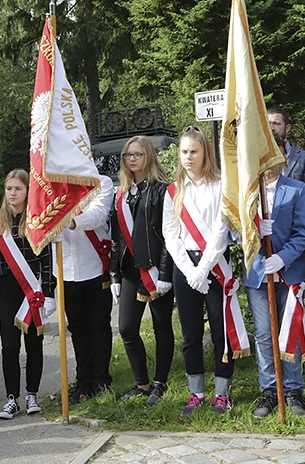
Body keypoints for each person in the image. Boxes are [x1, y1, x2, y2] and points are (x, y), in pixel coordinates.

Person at [163, 126, 237, 416]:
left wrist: (204, 268)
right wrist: (189, 270)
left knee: (221, 333)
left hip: (215, 266)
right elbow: (171, 235)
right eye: (184, 152)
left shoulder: (220, 186)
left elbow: (222, 230)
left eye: (194, 151)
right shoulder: (173, 191)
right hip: (186, 268)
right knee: (191, 334)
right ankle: (196, 392)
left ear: (205, 152)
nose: (188, 157)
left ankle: (222, 393)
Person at [244, 136, 305, 418]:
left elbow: (303, 233)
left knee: (290, 333)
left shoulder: (295, 190)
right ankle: (270, 389)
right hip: (258, 274)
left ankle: (294, 389)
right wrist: (252, 234)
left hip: (288, 272)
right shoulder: (248, 191)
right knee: (263, 334)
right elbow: (237, 232)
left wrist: (282, 257)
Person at [110, 136, 174, 407]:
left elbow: (168, 235)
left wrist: (164, 273)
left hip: (155, 269)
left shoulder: (163, 190)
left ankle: (160, 382)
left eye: (137, 154)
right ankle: (141, 383)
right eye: (127, 155)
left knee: (161, 327)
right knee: (126, 328)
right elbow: (116, 237)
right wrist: (113, 275)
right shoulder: (121, 193)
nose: (132, 159)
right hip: (129, 270)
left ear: (148, 156)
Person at [0, 169, 52, 419]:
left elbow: (46, 259)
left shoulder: (37, 221)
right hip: (8, 294)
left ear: (28, 192)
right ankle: (11, 398)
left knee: (34, 345)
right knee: (9, 347)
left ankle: (32, 394)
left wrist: (49, 292)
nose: (13, 193)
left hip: (32, 293)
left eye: (18, 189)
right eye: (9, 188)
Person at [54, 172, 115, 402]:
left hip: (94, 265)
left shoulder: (101, 181)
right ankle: (83, 382)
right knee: (78, 329)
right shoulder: (54, 184)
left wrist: (70, 220)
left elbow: (98, 215)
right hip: (67, 269)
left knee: (99, 326)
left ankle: (101, 379)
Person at [267, 106, 305, 198]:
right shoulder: (256, 159)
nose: (271, 128)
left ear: (287, 128)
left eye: (276, 123)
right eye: (267, 123)